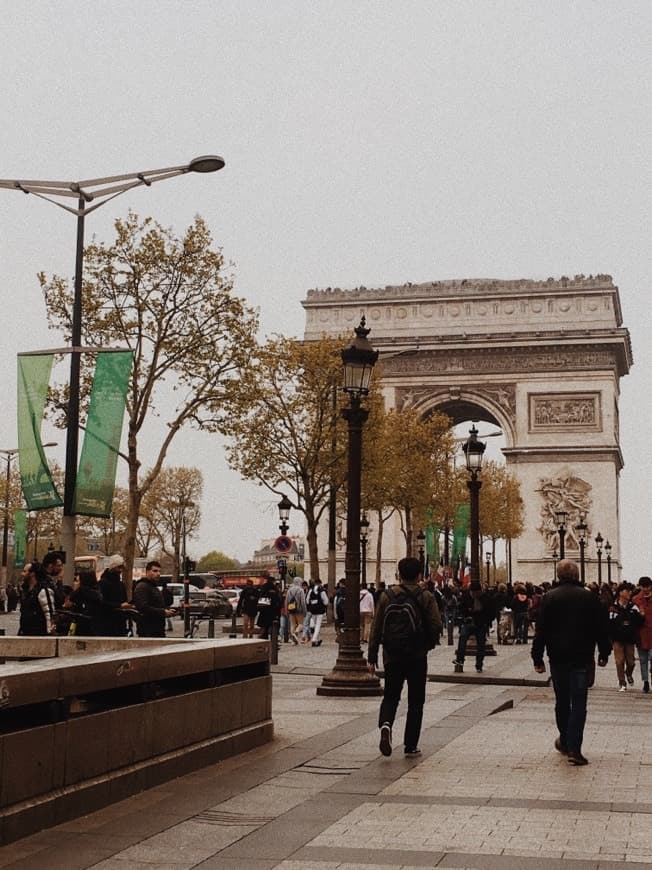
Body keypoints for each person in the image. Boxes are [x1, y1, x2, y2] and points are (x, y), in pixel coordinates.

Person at [532, 559, 611, 766]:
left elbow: (541, 630)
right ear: (577, 575)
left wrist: (537, 657)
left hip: (557, 658)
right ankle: (574, 748)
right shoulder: (590, 597)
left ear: (559, 575)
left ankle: (565, 740)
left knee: (561, 701)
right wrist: (604, 652)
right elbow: (601, 628)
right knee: (579, 704)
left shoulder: (549, 597)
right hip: (581, 659)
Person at [367, 557, 442, 758]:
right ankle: (410, 745)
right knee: (416, 701)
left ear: (399, 574)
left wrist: (372, 655)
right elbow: (436, 625)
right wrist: (428, 644)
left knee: (391, 695)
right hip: (417, 655)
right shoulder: (426, 596)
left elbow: (376, 627)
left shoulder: (386, 596)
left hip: (392, 654)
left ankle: (385, 725)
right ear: (419, 575)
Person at [607, 582, 643, 691]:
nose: (630, 593)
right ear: (620, 593)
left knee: (631, 662)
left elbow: (640, 622)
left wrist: (641, 615)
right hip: (617, 639)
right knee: (619, 661)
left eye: (630, 591)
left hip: (630, 638)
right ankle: (622, 683)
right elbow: (609, 623)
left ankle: (628, 673)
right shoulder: (613, 607)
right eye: (627, 591)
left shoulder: (633, 607)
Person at [453, 580, 494, 672]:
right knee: (462, 639)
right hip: (468, 622)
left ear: (480, 591)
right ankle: (460, 659)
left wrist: (486, 622)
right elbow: (461, 608)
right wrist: (466, 614)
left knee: (481, 644)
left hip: (481, 624)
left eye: (476, 593)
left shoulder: (486, 599)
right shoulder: (467, 597)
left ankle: (479, 665)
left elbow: (492, 612)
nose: (474, 595)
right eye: (472, 593)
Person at [132, 560, 174, 638]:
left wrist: (167, 610)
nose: (158, 574)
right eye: (154, 571)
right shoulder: (142, 587)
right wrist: (163, 612)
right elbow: (143, 607)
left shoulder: (153, 587)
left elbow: (156, 605)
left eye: (159, 571)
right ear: (147, 572)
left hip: (157, 629)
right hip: (148, 630)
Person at [98, 554, 131, 636]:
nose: (120, 570)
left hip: (120, 623)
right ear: (112, 567)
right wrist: (119, 605)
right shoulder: (103, 583)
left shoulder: (121, 585)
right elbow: (101, 603)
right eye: (119, 567)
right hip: (107, 623)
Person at [18, 561, 54, 636]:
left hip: (39, 634)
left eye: (25, 571)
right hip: (25, 633)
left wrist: (49, 633)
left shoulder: (43, 591)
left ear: (32, 573)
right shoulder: (26, 591)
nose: (22, 574)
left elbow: (49, 614)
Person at [633, 576, 652, 693]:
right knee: (643, 659)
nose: (645, 589)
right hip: (641, 634)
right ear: (639, 586)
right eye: (643, 586)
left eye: (647, 586)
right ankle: (645, 681)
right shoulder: (635, 600)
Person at [305, 579, 328, 646]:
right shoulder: (322, 591)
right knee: (318, 625)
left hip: (313, 610)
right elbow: (326, 602)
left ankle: (316, 639)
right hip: (320, 610)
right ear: (320, 583)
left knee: (314, 625)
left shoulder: (310, 590)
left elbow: (307, 601)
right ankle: (314, 639)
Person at [285, 576, 306, 645]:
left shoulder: (289, 590)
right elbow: (303, 602)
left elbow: (287, 601)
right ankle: (296, 633)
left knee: (292, 624)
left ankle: (293, 641)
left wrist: (286, 610)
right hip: (299, 609)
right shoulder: (300, 590)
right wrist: (304, 610)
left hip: (291, 609)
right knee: (301, 624)